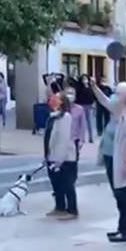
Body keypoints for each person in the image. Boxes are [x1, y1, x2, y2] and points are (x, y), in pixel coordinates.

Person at [93, 81, 126, 243]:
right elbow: (104, 100)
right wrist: (94, 86)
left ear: (125, 97)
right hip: (111, 157)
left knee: (123, 195)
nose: (114, 96)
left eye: (118, 93)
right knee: (118, 195)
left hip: (120, 160)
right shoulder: (117, 112)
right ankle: (122, 228)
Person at [44, 91, 79, 220]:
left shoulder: (66, 117)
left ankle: (72, 209)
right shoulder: (54, 116)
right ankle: (59, 207)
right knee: (56, 184)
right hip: (52, 155)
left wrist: (59, 159)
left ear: (62, 102)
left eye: (57, 98)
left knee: (67, 184)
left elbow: (64, 139)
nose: (53, 100)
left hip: (65, 157)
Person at [71, 75, 96, 143]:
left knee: (89, 121)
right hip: (81, 105)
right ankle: (82, 138)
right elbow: (77, 95)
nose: (85, 80)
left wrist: (93, 103)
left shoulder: (90, 87)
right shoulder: (79, 87)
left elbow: (93, 95)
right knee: (82, 122)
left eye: (86, 79)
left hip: (89, 105)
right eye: (83, 79)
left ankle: (91, 137)